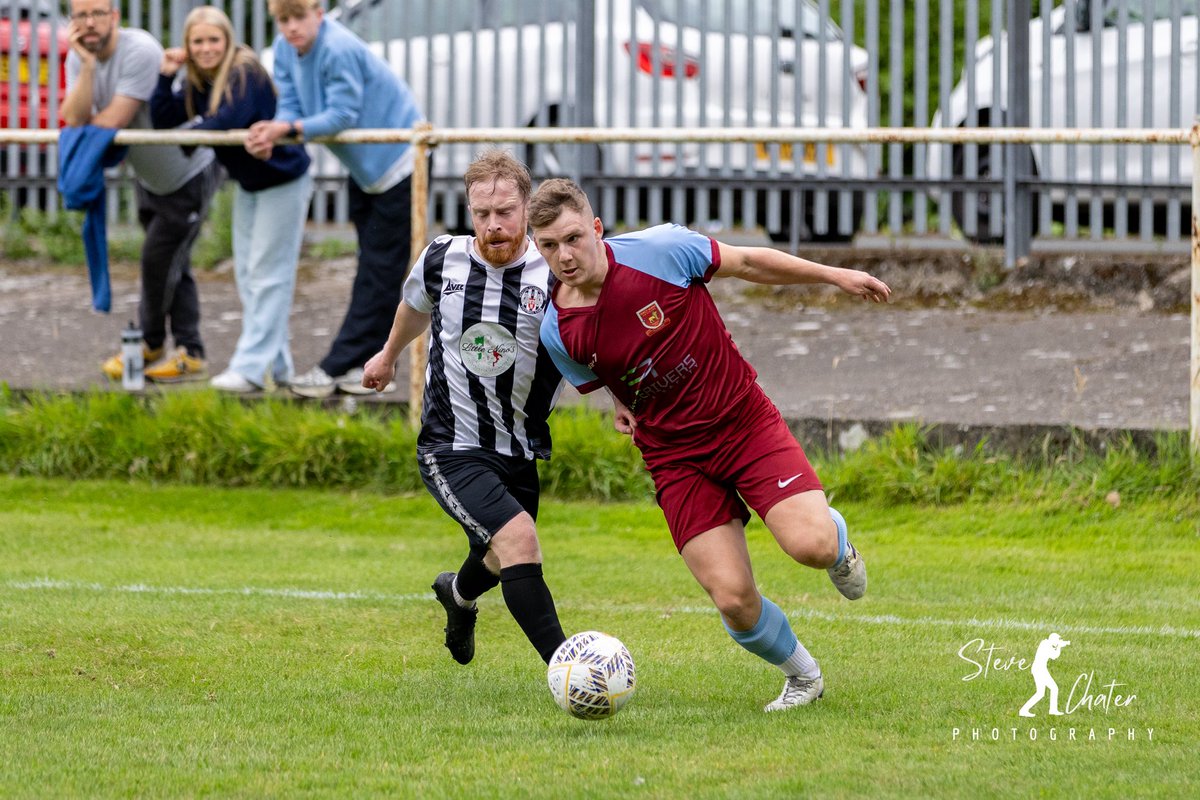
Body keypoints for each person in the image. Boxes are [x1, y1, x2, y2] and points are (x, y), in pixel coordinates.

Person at [529, 178, 892, 713]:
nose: (564, 255)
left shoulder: (661, 251)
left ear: (597, 228)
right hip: (675, 458)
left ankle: (835, 539)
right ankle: (804, 677)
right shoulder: (556, 326)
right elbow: (602, 369)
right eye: (549, 246)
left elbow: (748, 262)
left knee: (810, 547)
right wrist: (619, 403)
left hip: (743, 423)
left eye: (572, 238)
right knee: (733, 599)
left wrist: (833, 275)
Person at [360, 150, 567, 667]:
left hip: (519, 443)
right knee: (519, 539)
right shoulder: (442, 258)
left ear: (527, 208)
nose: (493, 226)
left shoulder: (555, 269)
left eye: (505, 213)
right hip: (450, 444)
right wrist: (387, 356)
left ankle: (457, 595)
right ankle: (570, 668)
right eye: (482, 214)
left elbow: (591, 338)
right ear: (469, 211)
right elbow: (414, 305)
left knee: (497, 556)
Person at [245, 0, 424, 399]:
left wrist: (283, 129)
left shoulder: (338, 48)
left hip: (399, 162)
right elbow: (290, 109)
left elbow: (342, 114)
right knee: (373, 268)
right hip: (366, 171)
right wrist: (274, 132)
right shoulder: (285, 52)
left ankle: (338, 366)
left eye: (299, 17)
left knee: (379, 271)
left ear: (319, 13)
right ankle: (365, 367)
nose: (291, 27)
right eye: (284, 19)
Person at [150, 6, 313, 393]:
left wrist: (191, 132)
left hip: (283, 180)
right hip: (250, 184)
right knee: (248, 276)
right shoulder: (199, 79)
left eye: (213, 40)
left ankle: (250, 370)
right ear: (188, 46)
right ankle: (279, 366)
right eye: (198, 41)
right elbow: (164, 120)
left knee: (267, 275)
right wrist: (165, 75)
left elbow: (228, 120)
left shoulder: (245, 70)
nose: (206, 48)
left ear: (228, 41)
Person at [62, 0, 223, 384]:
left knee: (156, 260)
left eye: (98, 13)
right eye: (80, 15)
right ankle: (191, 350)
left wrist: (84, 123)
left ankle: (148, 343)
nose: (89, 23)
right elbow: (73, 117)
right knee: (173, 263)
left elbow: (109, 120)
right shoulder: (79, 57)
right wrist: (85, 67)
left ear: (114, 16)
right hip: (148, 176)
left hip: (188, 173)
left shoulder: (140, 50)